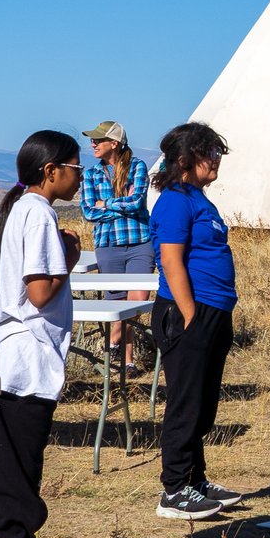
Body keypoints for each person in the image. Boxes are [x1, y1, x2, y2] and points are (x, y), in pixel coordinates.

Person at [0, 130, 84, 538]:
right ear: (50, 171)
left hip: (0, 353)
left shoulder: (12, 210)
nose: (80, 176)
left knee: (4, 471)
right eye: (74, 167)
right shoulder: (38, 212)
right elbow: (39, 291)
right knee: (19, 473)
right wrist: (69, 258)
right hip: (25, 356)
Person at [149, 122, 241, 521]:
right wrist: (189, 314)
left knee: (203, 402)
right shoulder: (175, 201)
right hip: (189, 311)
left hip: (213, 310)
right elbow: (170, 260)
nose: (217, 159)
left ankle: (195, 479)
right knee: (186, 402)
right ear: (186, 159)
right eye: (210, 152)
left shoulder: (199, 199)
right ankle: (174, 490)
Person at [79, 121, 154, 369]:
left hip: (139, 242)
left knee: (136, 299)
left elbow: (136, 203)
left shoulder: (138, 167)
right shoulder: (91, 173)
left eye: (99, 140)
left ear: (115, 143)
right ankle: (126, 361)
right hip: (108, 244)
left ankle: (112, 345)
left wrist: (106, 203)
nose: (93, 144)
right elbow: (89, 211)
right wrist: (119, 204)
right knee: (117, 301)